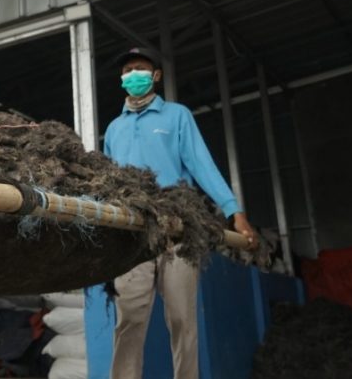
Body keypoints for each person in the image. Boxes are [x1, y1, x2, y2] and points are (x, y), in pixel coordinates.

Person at [103, 47, 257, 379]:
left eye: (140, 68)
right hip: (132, 234)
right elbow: (108, 182)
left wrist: (235, 211)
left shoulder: (176, 115)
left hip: (177, 229)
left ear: (156, 75)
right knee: (128, 318)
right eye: (127, 70)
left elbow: (201, 164)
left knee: (181, 319)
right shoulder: (114, 129)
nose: (133, 75)